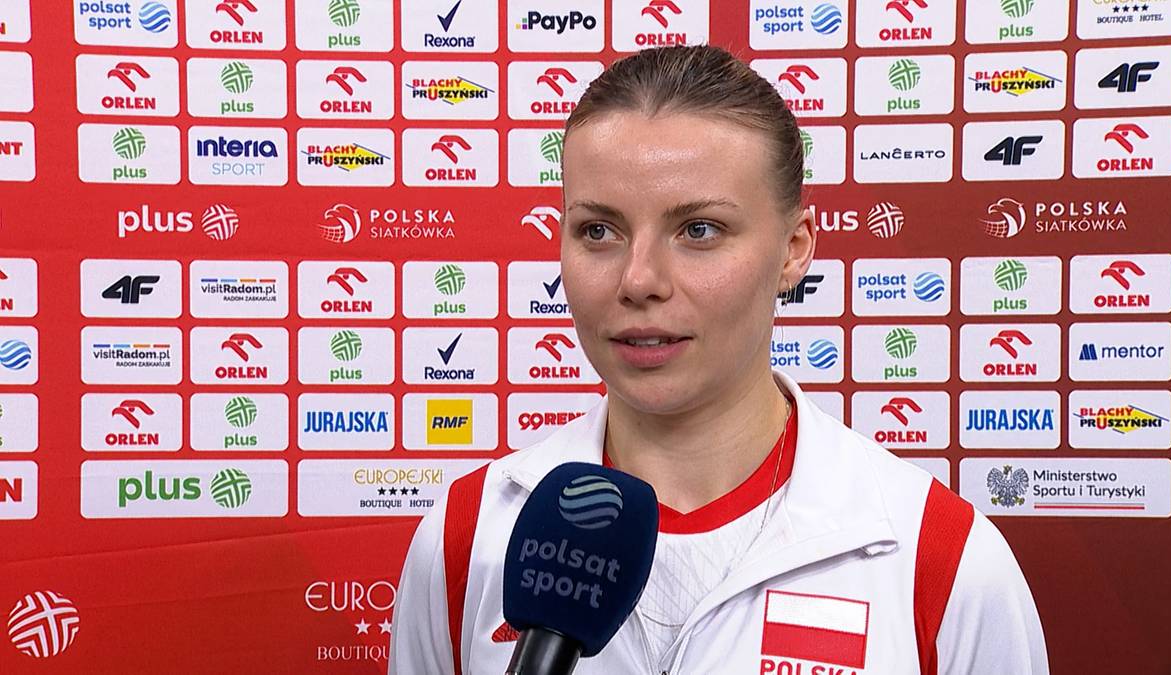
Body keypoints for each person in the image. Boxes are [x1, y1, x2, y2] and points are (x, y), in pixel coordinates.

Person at [389, 45, 1048, 675]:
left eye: (699, 230)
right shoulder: (467, 535)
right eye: (599, 230)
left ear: (793, 249)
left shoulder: (938, 555)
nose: (638, 279)